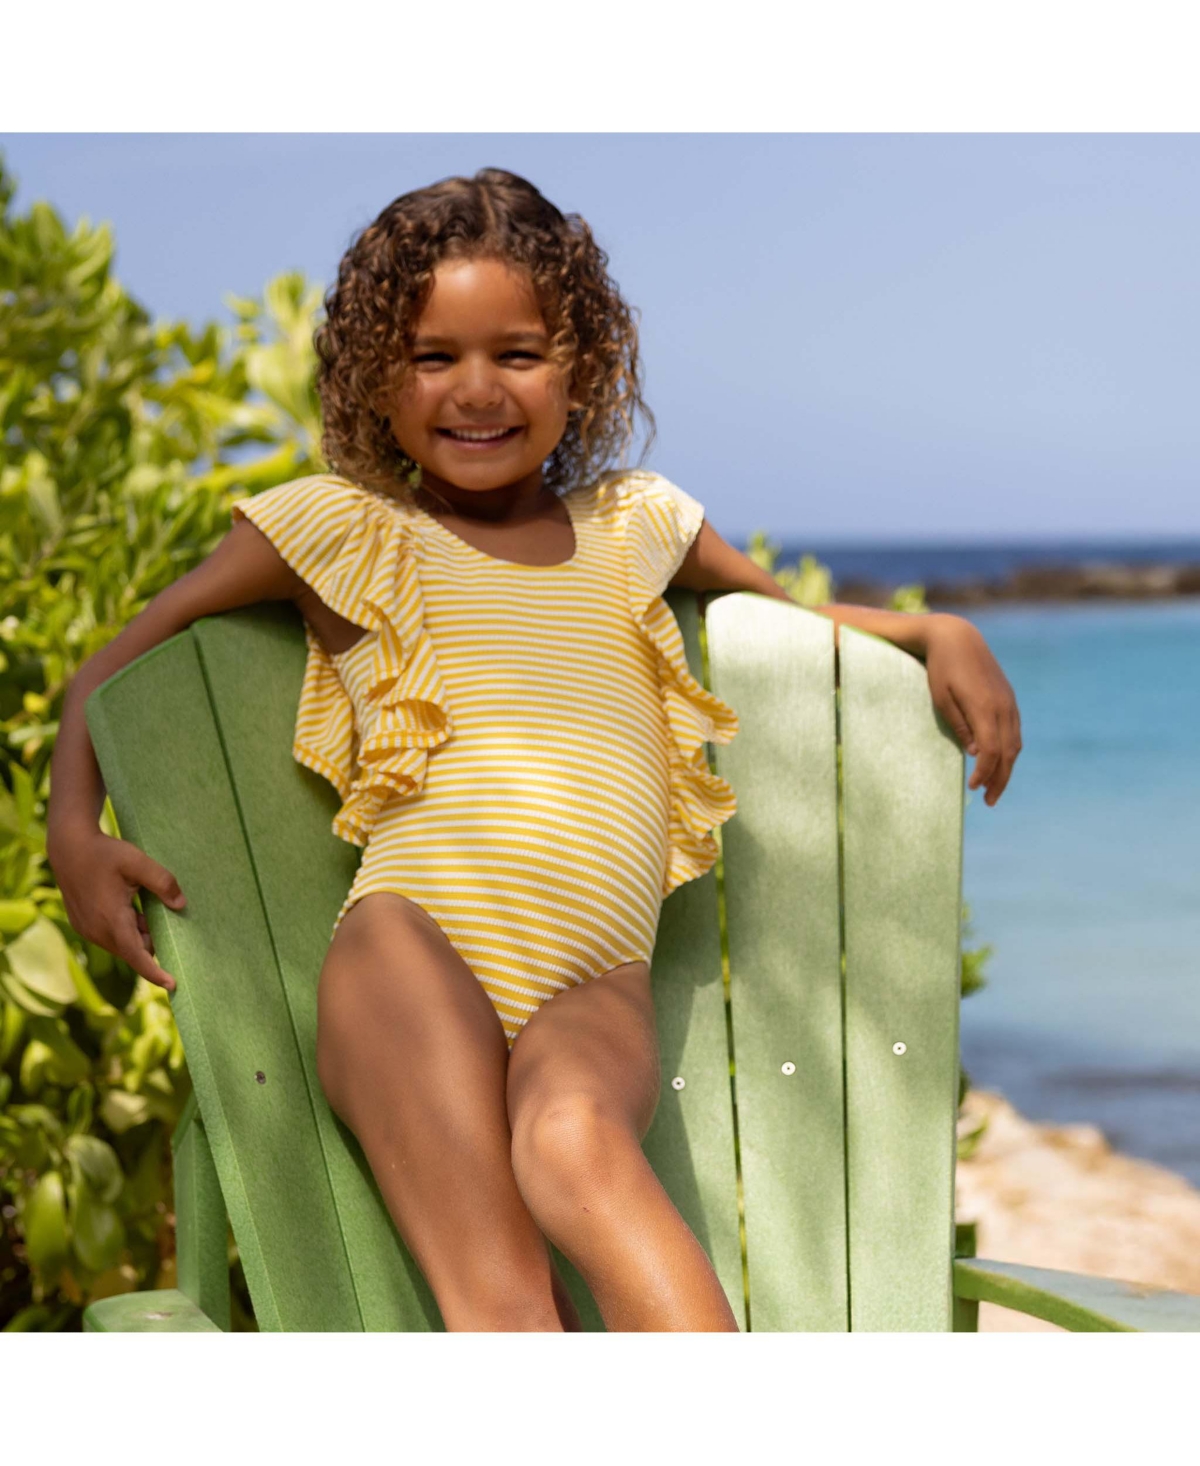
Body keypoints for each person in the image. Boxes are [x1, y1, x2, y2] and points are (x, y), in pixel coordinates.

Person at [47, 168, 1021, 1333]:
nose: (476, 391)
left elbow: (795, 616)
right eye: (431, 356)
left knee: (574, 1142)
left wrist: (933, 627)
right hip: (409, 951)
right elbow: (105, 673)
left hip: (594, 980)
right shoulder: (347, 529)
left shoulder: (636, 525)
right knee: (507, 1310)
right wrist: (75, 833)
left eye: (517, 353)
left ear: (584, 366)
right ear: (376, 376)